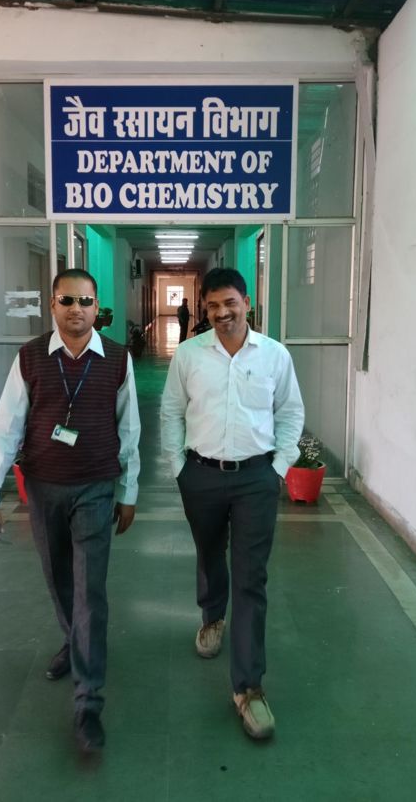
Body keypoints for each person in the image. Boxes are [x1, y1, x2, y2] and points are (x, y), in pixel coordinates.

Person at [0, 269, 140, 754]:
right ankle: (75, 640)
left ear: (97, 308)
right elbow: (7, 429)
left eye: (85, 301)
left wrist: (128, 490)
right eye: (67, 300)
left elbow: (129, 429)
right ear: (52, 305)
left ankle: (88, 702)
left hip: (95, 486)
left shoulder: (117, 359)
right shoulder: (30, 358)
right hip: (43, 487)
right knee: (58, 579)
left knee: (90, 589)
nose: (76, 309)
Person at [160, 267, 304, 741]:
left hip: (256, 479)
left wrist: (279, 467)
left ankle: (248, 687)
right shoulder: (189, 355)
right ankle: (212, 616)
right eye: (213, 306)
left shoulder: (274, 355)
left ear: (247, 303)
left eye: (230, 303)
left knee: (250, 577)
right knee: (209, 552)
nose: (222, 313)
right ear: (204, 309)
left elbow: (290, 412)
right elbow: (171, 411)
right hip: (201, 476)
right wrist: (178, 467)